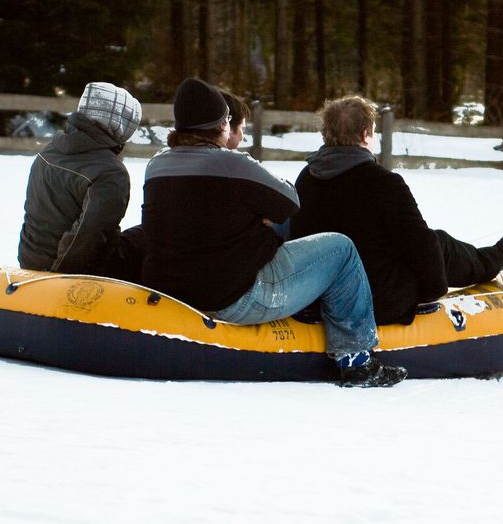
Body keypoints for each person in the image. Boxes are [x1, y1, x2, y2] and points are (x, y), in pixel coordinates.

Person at [140, 78, 406, 387]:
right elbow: (289, 203)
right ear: (220, 126)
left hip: (170, 289)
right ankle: (357, 360)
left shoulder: (156, 166)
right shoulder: (232, 164)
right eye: (227, 120)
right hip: (232, 297)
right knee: (341, 249)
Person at [289, 95, 503, 325]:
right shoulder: (383, 183)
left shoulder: (306, 177)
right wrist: (432, 291)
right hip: (372, 299)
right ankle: (491, 262)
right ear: (364, 135)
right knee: (438, 243)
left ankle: (485, 259)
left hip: (317, 296)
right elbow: (421, 243)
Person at [18, 81, 145, 281]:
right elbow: (89, 236)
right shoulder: (111, 172)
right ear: (118, 125)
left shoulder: (49, 152)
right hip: (73, 272)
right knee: (147, 238)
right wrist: (57, 278)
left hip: (31, 262)